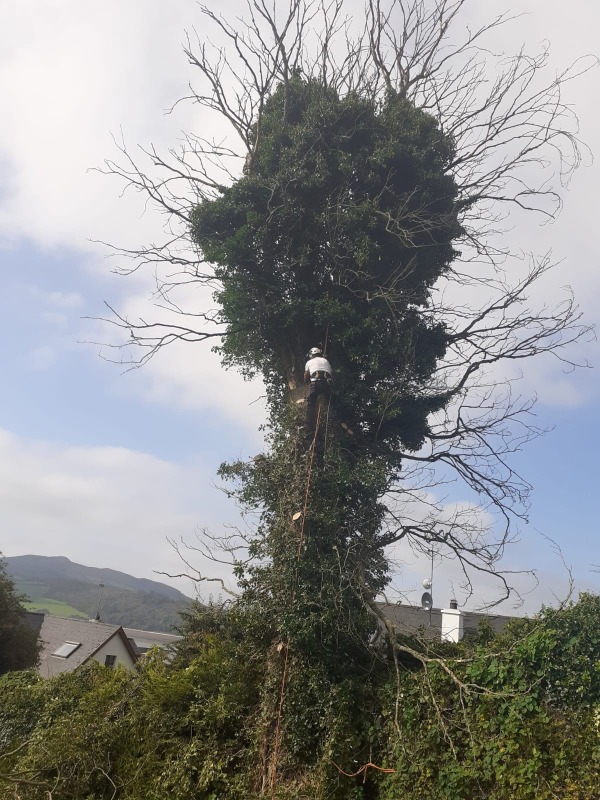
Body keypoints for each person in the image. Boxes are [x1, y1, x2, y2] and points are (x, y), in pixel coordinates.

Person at [304, 347, 333, 425]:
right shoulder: (326, 361)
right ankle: (331, 417)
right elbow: (331, 375)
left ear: (311, 354)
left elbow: (306, 375)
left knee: (311, 401)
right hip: (327, 384)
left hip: (316, 384)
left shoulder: (309, 362)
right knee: (328, 401)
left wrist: (307, 382)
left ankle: (309, 423)